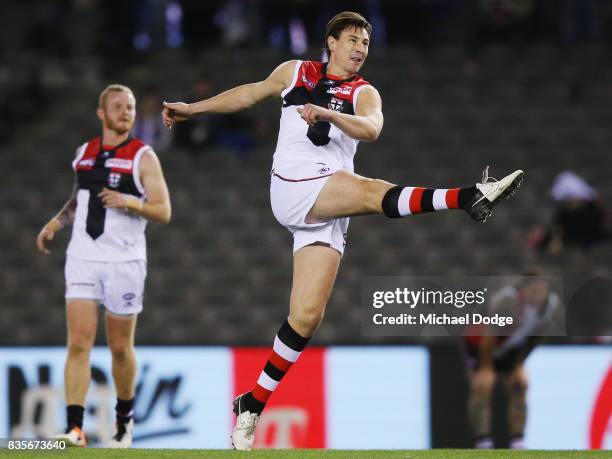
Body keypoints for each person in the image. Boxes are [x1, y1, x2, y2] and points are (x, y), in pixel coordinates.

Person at [162, 11, 524, 450]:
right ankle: (468, 196)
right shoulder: (296, 72)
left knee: (306, 318)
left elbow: (372, 129)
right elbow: (249, 94)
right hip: (295, 185)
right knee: (374, 192)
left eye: (366, 43)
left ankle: (251, 404)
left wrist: (333, 117)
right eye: (352, 39)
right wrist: (193, 109)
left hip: (331, 202)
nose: (359, 49)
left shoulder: (364, 92)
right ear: (330, 42)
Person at [36, 84, 172, 447]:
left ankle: (124, 419)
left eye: (129, 106)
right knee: (78, 343)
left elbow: (163, 210)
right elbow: (78, 200)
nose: (125, 111)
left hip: (124, 261)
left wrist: (131, 201)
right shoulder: (84, 153)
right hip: (82, 257)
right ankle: (75, 429)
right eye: (117, 106)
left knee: (120, 349)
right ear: (101, 112)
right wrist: (55, 223)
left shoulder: (143, 156)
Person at [463, 274, 561, 449]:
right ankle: (483, 442)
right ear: (524, 290)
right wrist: (486, 367)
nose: (538, 295)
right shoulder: (508, 302)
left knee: (520, 385)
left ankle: (518, 441)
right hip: (481, 346)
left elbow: (536, 338)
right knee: (483, 387)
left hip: (511, 350)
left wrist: (519, 363)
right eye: (534, 290)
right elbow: (489, 336)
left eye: (542, 290)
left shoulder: (549, 305)